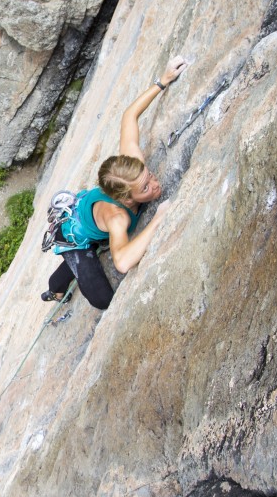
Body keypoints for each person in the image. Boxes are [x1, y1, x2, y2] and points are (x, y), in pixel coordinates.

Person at [42, 56, 188, 310]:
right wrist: (158, 219)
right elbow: (121, 262)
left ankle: (63, 278)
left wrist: (163, 81)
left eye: (149, 176)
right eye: (145, 188)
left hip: (89, 215)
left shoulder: (131, 164)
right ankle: (55, 290)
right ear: (127, 199)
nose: (154, 185)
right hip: (74, 235)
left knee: (96, 248)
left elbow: (129, 115)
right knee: (102, 301)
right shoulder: (117, 218)